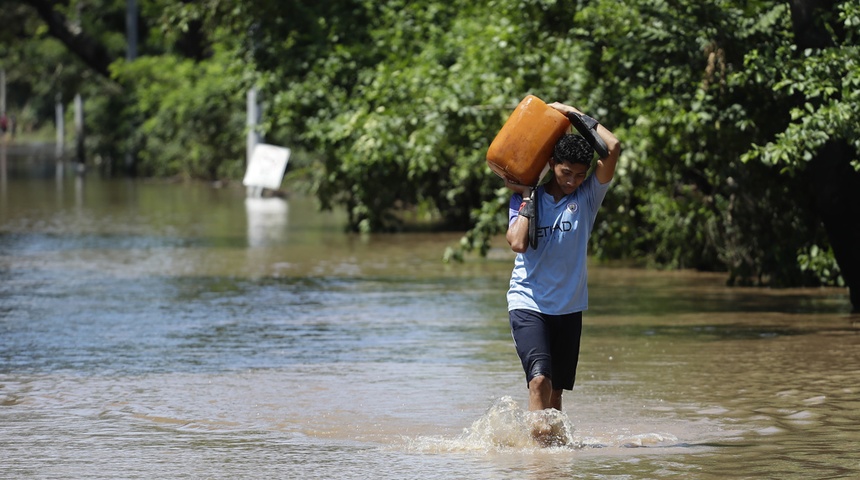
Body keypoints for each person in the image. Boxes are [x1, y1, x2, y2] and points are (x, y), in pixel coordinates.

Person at [505, 101, 621, 418]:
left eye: (580, 175)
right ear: (552, 163)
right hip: (528, 302)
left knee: (555, 395)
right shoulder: (525, 197)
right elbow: (517, 242)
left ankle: (552, 462)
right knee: (540, 380)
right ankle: (537, 460)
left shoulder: (587, 198)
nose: (572, 181)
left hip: (569, 307)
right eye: (565, 172)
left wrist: (571, 113)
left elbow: (613, 147)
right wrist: (529, 196)